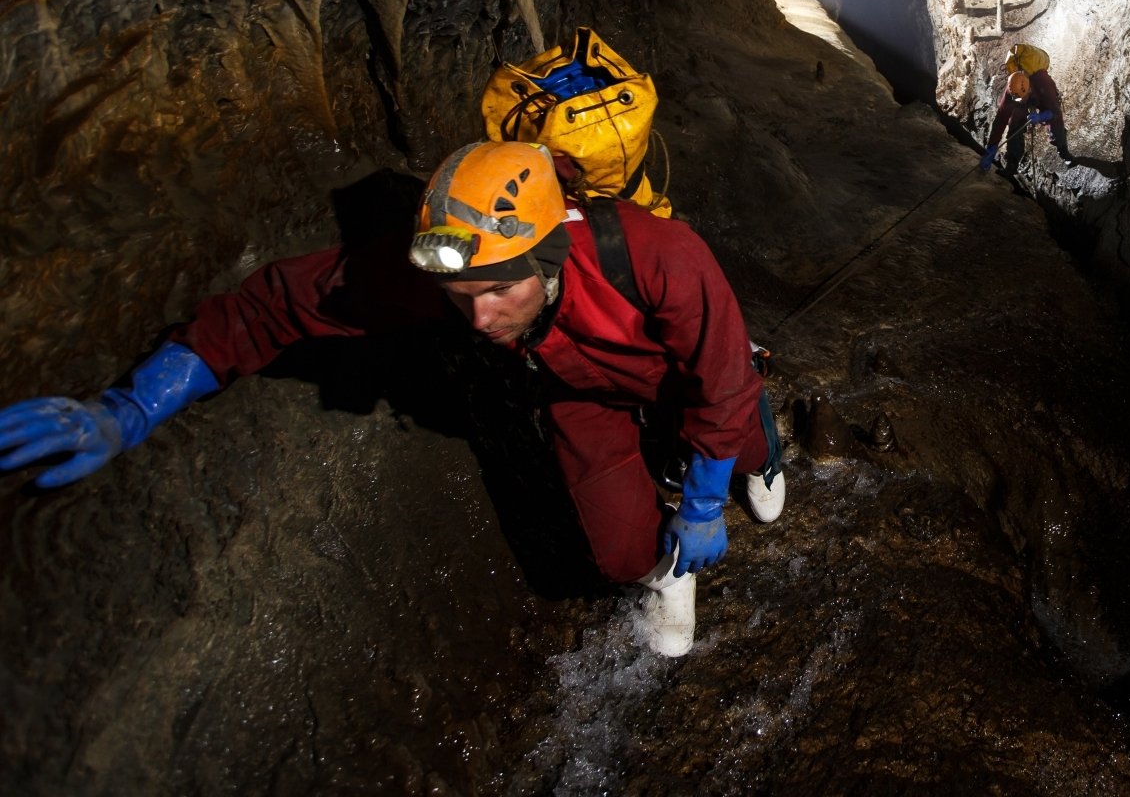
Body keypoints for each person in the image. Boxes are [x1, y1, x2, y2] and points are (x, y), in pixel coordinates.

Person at [0, 141, 784, 658]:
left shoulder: (660, 257)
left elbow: (718, 375)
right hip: (577, 391)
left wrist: (708, 496)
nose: (480, 319)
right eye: (458, 294)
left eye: (500, 290)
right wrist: (133, 406)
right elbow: (275, 305)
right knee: (622, 554)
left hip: (674, 373)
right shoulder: (450, 277)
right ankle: (667, 562)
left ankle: (766, 451)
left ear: (547, 257)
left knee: (740, 436)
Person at [979, 48, 1072, 173]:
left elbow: (1055, 111)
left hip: (1041, 97)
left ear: (1028, 89)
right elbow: (1001, 119)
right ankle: (1011, 165)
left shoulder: (1044, 82)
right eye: (1018, 99)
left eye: (1022, 98)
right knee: (1014, 122)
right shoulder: (1011, 90)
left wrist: (1041, 117)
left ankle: (1064, 152)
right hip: (1028, 95)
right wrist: (991, 147)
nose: (1021, 101)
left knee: (1056, 124)